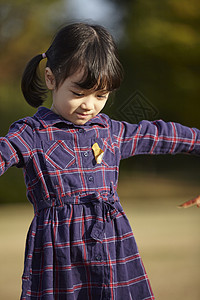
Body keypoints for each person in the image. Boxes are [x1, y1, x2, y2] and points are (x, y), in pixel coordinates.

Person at [0, 22, 199, 300]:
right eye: (78, 93)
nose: (89, 105)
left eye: (101, 95)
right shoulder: (31, 133)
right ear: (50, 78)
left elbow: (161, 134)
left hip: (114, 246)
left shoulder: (111, 132)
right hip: (59, 255)